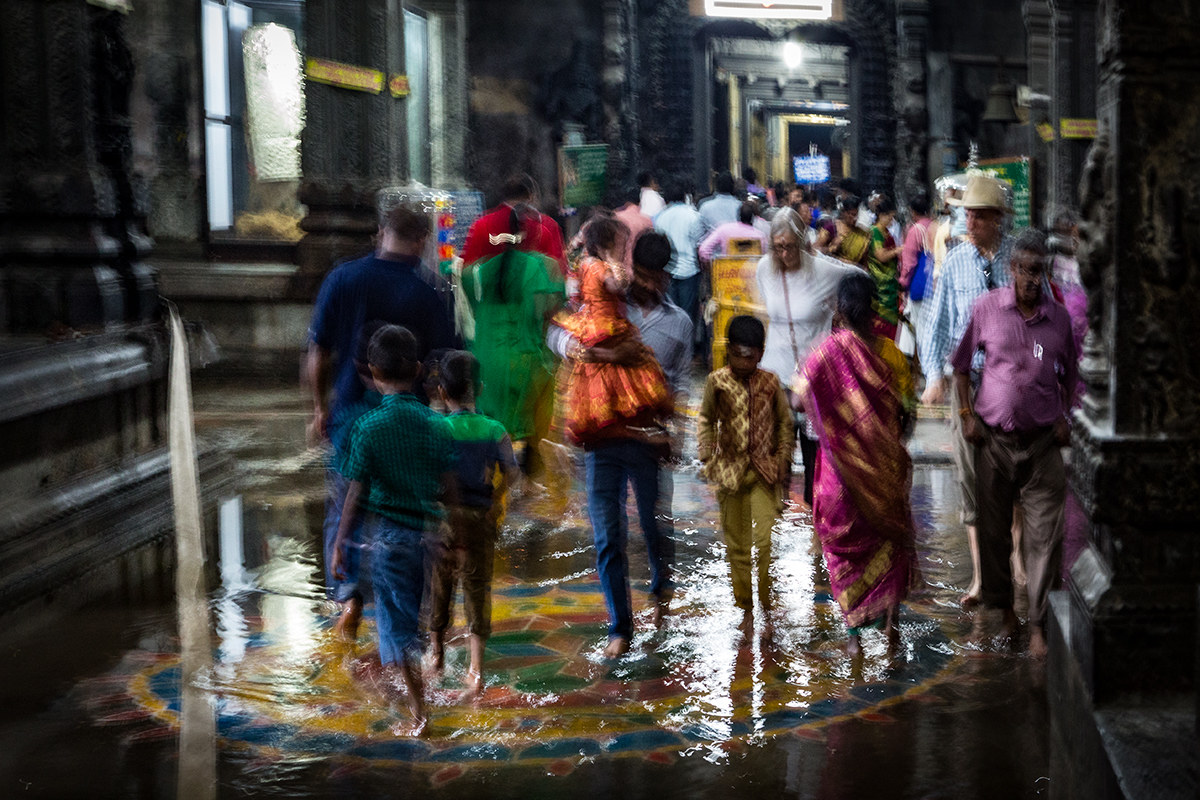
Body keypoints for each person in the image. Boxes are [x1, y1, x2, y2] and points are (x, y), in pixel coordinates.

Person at [308, 205, 455, 641]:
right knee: (406, 506)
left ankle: (349, 593)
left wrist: (320, 407)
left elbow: (317, 353)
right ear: (423, 240)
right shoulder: (429, 292)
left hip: (351, 414)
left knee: (346, 503)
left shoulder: (342, 278)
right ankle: (409, 603)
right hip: (408, 418)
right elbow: (443, 361)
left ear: (380, 233)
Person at [548, 229, 692, 659]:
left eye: (655, 277)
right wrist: (580, 350)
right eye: (641, 274)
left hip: (648, 438)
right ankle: (620, 626)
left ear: (666, 277)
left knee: (653, 525)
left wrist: (677, 433)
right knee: (608, 532)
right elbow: (556, 333)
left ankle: (661, 591)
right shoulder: (604, 299)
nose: (647, 283)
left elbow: (681, 383)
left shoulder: (679, 322)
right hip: (600, 437)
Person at [951, 229, 1078, 658]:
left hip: (1042, 444)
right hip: (994, 440)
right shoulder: (986, 309)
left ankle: (1039, 624)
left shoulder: (1058, 319)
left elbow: (1070, 374)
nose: (1030, 279)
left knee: (1046, 535)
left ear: (1046, 272)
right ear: (1011, 269)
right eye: (1024, 269)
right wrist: (967, 417)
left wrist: (1065, 417)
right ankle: (1006, 614)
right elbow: (962, 367)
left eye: (1038, 271)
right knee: (993, 535)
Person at [330, 325, 457, 737]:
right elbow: (450, 485)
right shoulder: (435, 424)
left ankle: (419, 714)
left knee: (396, 627)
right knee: (411, 616)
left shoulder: (368, 428)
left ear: (372, 370)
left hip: (388, 540)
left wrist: (339, 545)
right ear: (419, 370)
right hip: (425, 538)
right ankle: (424, 681)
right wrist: (450, 530)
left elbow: (355, 494)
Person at [800, 273, 917, 655]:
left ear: (839, 309)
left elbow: (798, 394)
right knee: (889, 540)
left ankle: (853, 638)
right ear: (873, 310)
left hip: (841, 474)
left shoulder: (827, 354)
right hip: (884, 470)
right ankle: (891, 628)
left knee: (843, 548)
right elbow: (907, 413)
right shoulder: (891, 355)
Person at [918, 174, 1015, 609]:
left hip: (1014, 386)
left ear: (999, 219)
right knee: (972, 480)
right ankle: (980, 577)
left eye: (978, 215)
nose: (969, 222)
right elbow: (936, 324)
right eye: (968, 214)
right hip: (969, 388)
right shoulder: (955, 261)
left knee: (1014, 475)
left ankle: (1015, 569)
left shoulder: (1019, 259)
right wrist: (934, 375)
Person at [755, 207, 865, 506]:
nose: (785, 253)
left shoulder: (824, 271)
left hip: (815, 378)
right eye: (779, 247)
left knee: (815, 456)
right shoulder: (765, 268)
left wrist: (843, 323)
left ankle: (818, 530)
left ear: (803, 242)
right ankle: (773, 535)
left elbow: (861, 279)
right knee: (776, 457)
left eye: (790, 246)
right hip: (775, 375)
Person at [427, 351, 519, 699]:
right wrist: (495, 500)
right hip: (480, 520)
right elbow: (512, 473)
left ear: (441, 391)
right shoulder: (495, 429)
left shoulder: (436, 428)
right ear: (478, 388)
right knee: (478, 589)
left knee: (439, 588)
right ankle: (476, 669)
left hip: (443, 521)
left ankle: (436, 655)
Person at [699, 315, 794, 643]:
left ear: (761, 353)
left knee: (764, 544)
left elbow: (785, 422)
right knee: (737, 546)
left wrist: (783, 459)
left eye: (749, 356)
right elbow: (706, 419)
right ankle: (747, 611)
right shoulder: (717, 382)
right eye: (737, 354)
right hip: (729, 474)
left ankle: (766, 608)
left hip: (765, 473)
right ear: (728, 351)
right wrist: (708, 457)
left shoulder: (770, 382)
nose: (743, 362)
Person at [553, 213, 673, 445]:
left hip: (592, 323)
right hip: (603, 323)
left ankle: (609, 415)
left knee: (600, 373)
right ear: (603, 246)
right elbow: (616, 285)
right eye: (620, 247)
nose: (622, 253)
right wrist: (615, 266)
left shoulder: (585, 265)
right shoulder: (601, 267)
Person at [462, 204, 564, 475]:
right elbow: (545, 309)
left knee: (491, 421)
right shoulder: (538, 267)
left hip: (487, 357)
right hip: (524, 356)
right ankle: (526, 460)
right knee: (533, 413)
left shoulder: (479, 271)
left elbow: (472, 306)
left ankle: (491, 470)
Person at [461, 174, 566, 275]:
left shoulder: (481, 224)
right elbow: (558, 272)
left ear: (504, 196)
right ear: (531, 197)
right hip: (532, 292)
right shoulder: (544, 227)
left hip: (491, 292)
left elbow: (467, 269)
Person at [653, 177, 711, 340]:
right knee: (687, 314)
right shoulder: (693, 215)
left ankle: (671, 345)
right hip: (690, 271)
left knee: (670, 313)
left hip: (668, 271)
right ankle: (688, 349)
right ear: (685, 196)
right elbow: (699, 245)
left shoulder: (660, 217)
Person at [898, 192, 934, 358]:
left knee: (920, 329)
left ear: (913, 211)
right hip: (936, 284)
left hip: (920, 286)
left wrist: (903, 283)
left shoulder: (915, 230)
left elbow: (910, 262)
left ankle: (922, 367)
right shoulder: (936, 226)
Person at [866, 195, 903, 339]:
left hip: (890, 282)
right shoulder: (875, 232)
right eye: (890, 217)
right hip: (880, 284)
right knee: (883, 319)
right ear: (882, 215)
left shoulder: (887, 232)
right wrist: (897, 250)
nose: (892, 220)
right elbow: (880, 256)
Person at [698, 200, 768, 261]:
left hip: (727, 273)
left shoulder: (724, 229)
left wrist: (714, 263)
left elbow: (704, 250)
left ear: (738, 215)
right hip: (752, 273)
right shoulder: (760, 236)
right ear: (754, 218)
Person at [824, 194, 871, 266]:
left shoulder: (862, 234)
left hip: (853, 273)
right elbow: (815, 249)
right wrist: (830, 249)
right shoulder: (831, 227)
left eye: (856, 215)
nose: (855, 218)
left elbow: (864, 263)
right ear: (844, 212)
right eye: (852, 214)